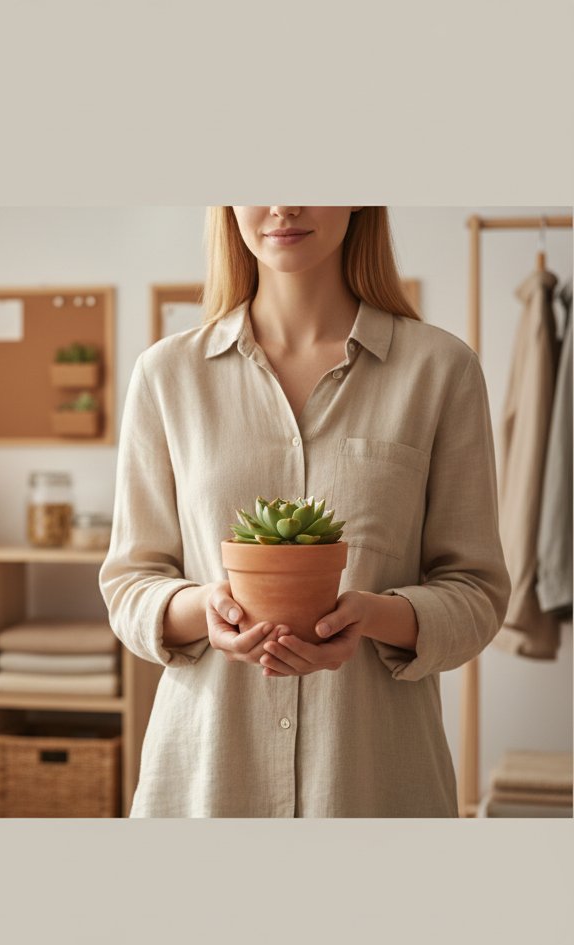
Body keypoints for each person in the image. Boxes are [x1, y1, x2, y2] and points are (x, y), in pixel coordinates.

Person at [99, 206, 511, 817]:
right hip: (204, 787)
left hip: (373, 786)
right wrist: (203, 609)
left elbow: (477, 594)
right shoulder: (166, 375)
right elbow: (128, 585)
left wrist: (373, 616)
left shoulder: (440, 370)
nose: (284, 204)